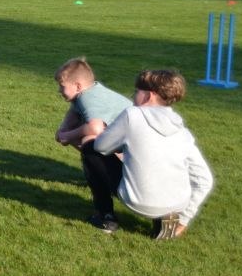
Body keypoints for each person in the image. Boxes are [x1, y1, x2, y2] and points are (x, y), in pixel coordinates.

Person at [84, 70, 214, 238]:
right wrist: (184, 219)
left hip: (137, 200)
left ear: (148, 96)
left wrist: (118, 142)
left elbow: (101, 146)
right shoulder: (183, 132)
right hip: (176, 205)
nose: (133, 96)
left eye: (136, 91)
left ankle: (105, 217)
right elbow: (204, 179)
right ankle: (166, 220)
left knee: (90, 147)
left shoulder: (132, 115)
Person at [54, 57, 131, 149]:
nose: (59, 90)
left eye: (62, 86)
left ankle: (119, 158)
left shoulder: (87, 97)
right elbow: (73, 113)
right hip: (130, 138)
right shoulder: (88, 92)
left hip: (136, 142)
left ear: (78, 87)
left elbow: (95, 128)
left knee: (89, 140)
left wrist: (67, 135)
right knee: (79, 130)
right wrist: (63, 130)